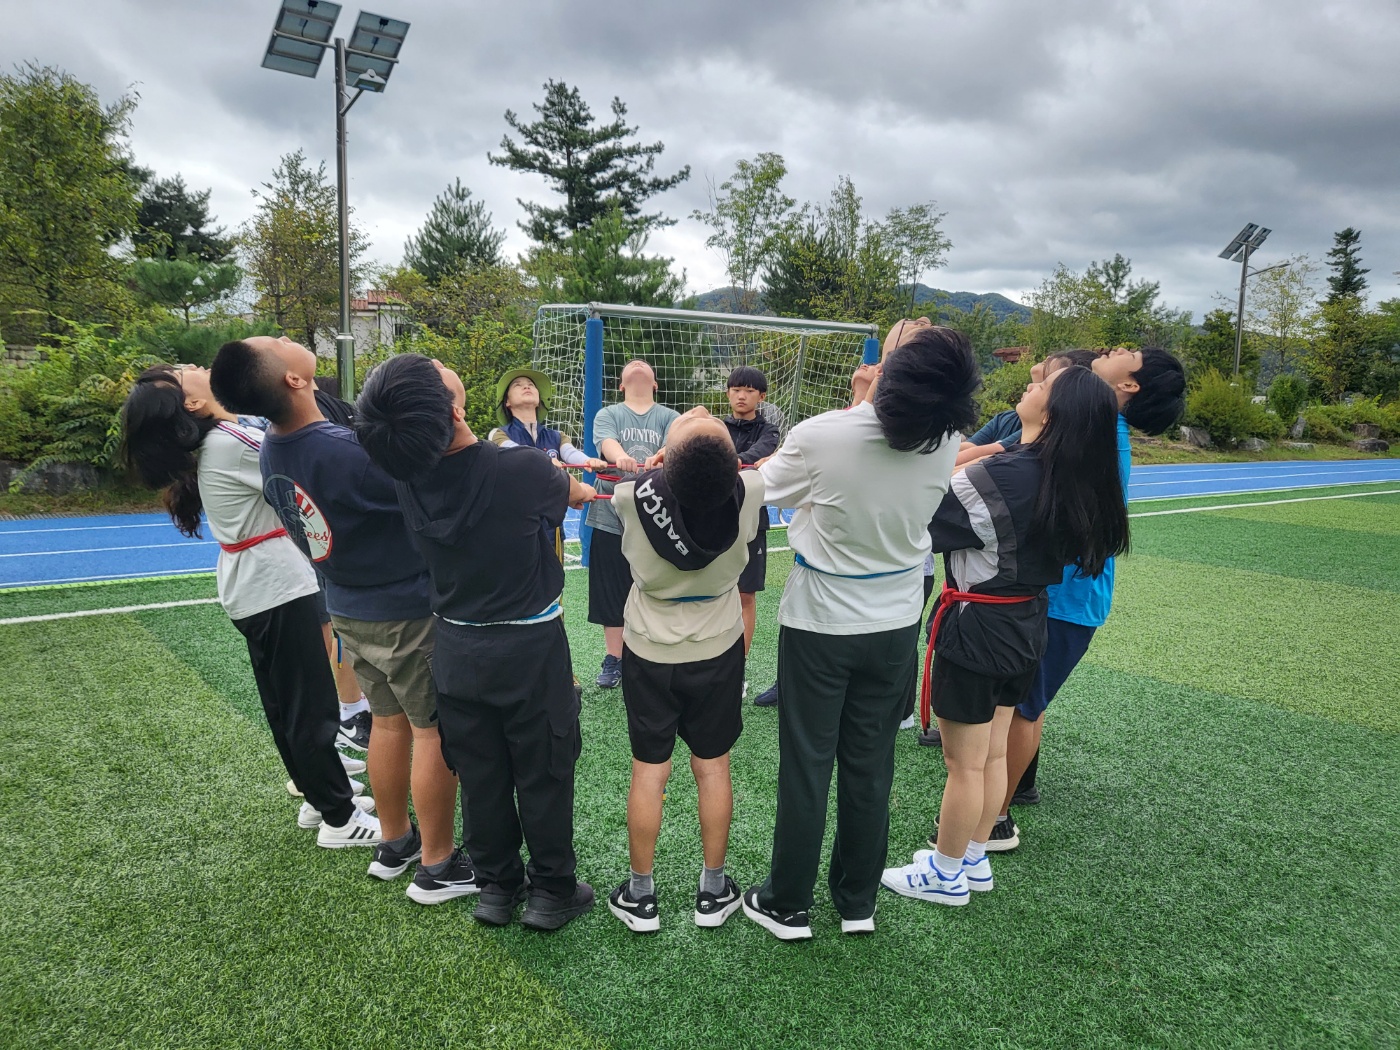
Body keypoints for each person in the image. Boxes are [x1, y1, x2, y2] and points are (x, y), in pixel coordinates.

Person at [740, 322, 981, 941]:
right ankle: (857, 901)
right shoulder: (946, 437)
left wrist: (690, 454)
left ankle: (787, 901)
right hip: (896, 622)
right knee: (871, 765)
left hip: (821, 621)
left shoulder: (823, 433)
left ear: (890, 377)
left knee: (807, 764)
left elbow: (759, 489)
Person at [210, 337, 466, 904]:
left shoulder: (275, 448)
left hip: (348, 607)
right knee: (431, 731)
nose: (284, 338)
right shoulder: (346, 451)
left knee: (388, 722)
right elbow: (424, 486)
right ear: (294, 381)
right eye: (276, 344)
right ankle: (438, 862)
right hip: (403, 609)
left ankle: (395, 840)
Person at [354, 353, 598, 931]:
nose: (440, 362)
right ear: (455, 408)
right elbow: (575, 494)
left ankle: (496, 888)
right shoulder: (522, 470)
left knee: (482, 774)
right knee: (544, 769)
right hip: (530, 648)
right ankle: (552, 892)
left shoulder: (407, 478)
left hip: (457, 651)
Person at [881, 365, 1129, 905]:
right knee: (991, 753)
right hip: (1027, 620)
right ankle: (972, 858)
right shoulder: (1077, 475)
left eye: (1041, 386)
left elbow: (917, 511)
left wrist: (972, 456)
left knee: (964, 763)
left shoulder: (1000, 477)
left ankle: (945, 873)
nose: (1029, 385)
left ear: (1053, 411)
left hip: (979, 625)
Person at [120, 364, 379, 848]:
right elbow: (301, 474)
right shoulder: (228, 441)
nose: (196, 367)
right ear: (192, 403)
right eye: (183, 373)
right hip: (274, 581)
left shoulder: (218, 440)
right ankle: (340, 819)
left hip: (256, 582)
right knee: (309, 703)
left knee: (287, 700)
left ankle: (317, 795)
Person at [986, 345, 1185, 841]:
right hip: (1062, 595)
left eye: (1130, 353)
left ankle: (995, 819)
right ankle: (1008, 798)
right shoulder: (1097, 431)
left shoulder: (1103, 440)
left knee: (1021, 709)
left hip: (1066, 599)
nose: (1117, 348)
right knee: (1025, 704)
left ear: (1130, 385)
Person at [605, 407, 766, 933]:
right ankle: (713, 890)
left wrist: (657, 465)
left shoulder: (633, 496)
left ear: (665, 463)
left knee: (649, 772)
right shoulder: (752, 491)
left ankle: (641, 894)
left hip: (648, 649)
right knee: (713, 767)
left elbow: (643, 488)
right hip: (718, 646)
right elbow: (744, 473)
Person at [749, 359, 883, 710]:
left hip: (862, 566)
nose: (868, 364)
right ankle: (789, 682)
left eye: (881, 360)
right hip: (828, 566)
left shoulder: (904, 430)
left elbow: (769, 486)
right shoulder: (832, 423)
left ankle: (898, 709)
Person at [585, 359, 680, 689]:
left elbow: (675, 443)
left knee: (656, 586)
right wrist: (620, 455)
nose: (638, 365)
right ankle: (615, 657)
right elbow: (607, 443)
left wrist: (662, 454)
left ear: (655, 383)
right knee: (610, 588)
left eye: (646, 365)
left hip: (655, 515)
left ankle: (652, 652)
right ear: (621, 385)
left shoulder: (670, 416)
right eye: (631, 366)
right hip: (610, 514)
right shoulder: (608, 414)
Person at [720, 366, 780, 668]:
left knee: (745, 595)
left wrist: (726, 461)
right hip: (715, 519)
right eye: (736, 389)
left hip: (753, 521)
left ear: (761, 396)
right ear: (728, 392)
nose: (741, 395)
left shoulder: (769, 431)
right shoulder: (717, 427)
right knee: (713, 592)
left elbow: (758, 453)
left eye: (749, 390)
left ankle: (737, 669)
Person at [488, 367, 607, 470]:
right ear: (507, 401)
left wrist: (588, 461)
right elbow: (519, 453)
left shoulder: (558, 436)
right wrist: (546, 461)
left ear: (539, 400)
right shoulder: (498, 434)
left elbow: (570, 453)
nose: (526, 387)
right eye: (517, 385)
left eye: (531, 385)